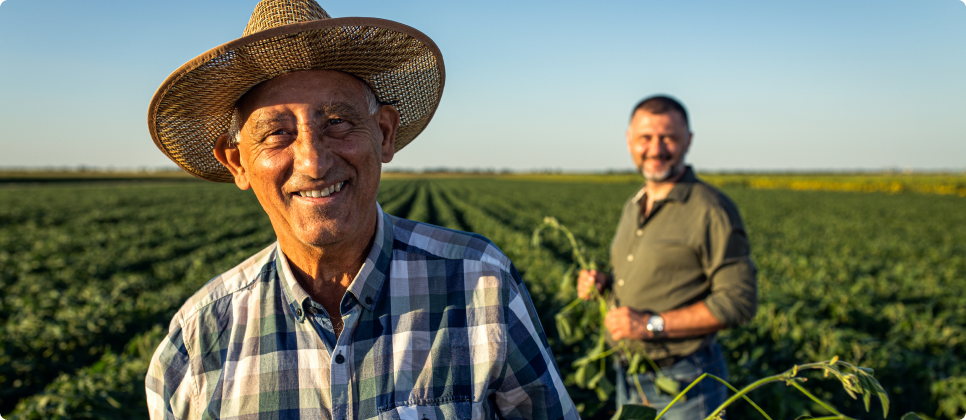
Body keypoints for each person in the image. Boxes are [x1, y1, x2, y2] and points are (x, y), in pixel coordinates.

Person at [144, 1, 578, 419]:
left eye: (336, 121)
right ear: (237, 162)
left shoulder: (481, 285)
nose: (314, 162)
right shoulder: (198, 341)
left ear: (384, 134)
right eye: (277, 133)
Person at [577, 95, 757, 419]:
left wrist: (649, 325)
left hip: (685, 381)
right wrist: (602, 283)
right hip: (630, 377)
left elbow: (739, 301)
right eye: (646, 137)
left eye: (669, 137)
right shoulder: (634, 205)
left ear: (688, 141)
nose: (656, 149)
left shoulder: (711, 209)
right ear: (630, 141)